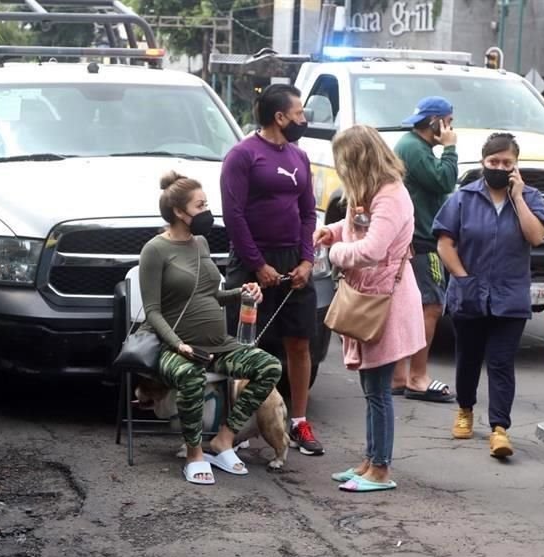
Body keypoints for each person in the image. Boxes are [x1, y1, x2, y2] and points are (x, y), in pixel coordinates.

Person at [139, 171, 282, 485]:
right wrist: (177, 344)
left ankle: (224, 439)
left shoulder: (201, 242)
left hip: (217, 345)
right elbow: (152, 310)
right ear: (179, 212)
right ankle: (194, 454)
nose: (207, 211)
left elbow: (211, 293)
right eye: (201, 205)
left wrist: (242, 292)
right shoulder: (155, 250)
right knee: (190, 375)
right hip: (175, 346)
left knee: (268, 366)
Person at [314, 125, 425, 492]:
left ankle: (380, 469)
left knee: (378, 389)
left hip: (383, 302)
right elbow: (359, 229)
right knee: (370, 387)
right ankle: (370, 460)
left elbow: (373, 249)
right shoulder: (374, 191)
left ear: (358, 159)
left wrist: (334, 252)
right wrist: (333, 231)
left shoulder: (391, 195)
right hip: (371, 297)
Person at [220, 84, 323, 456]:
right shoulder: (242, 156)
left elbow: (308, 212)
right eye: (299, 113)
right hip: (251, 263)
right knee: (248, 347)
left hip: (293, 259)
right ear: (280, 117)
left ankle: (298, 422)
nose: (303, 120)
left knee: (299, 341)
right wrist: (257, 265)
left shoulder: (300, 156)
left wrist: (307, 260)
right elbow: (233, 216)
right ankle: (239, 426)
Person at [432, 133, 544, 459]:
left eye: (506, 163)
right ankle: (465, 410)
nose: (499, 167)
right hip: (470, 293)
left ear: (515, 166)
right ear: (484, 163)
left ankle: (499, 429)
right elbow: (444, 242)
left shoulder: (531, 197)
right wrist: (463, 277)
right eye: (493, 162)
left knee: (500, 362)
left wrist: (519, 197)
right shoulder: (462, 199)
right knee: (468, 357)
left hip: (509, 297)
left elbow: (536, 236)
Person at [390, 96, 458, 403]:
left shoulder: (412, 146)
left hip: (412, 239)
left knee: (410, 307)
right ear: (436, 122)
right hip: (423, 240)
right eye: (448, 122)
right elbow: (444, 180)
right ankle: (417, 376)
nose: (451, 128)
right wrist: (451, 148)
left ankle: (399, 375)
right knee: (429, 307)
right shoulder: (415, 148)